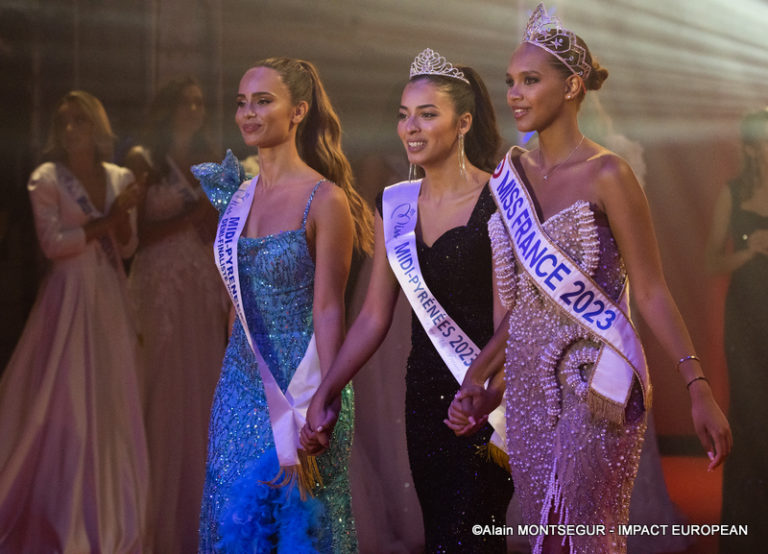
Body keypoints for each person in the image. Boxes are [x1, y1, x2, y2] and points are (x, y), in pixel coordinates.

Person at [445, 5, 731, 554]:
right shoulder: (509, 179)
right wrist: (485, 383)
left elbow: (649, 289)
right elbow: (520, 307)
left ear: (573, 85)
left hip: (596, 377)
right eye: (510, 82)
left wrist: (697, 388)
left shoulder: (608, 173)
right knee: (539, 539)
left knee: (584, 533)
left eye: (531, 80)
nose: (515, 94)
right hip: (527, 384)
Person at [302, 48, 514, 553]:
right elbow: (375, 316)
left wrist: (483, 389)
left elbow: (514, 318)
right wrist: (325, 390)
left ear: (463, 123)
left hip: (486, 395)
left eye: (427, 114)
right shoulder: (394, 203)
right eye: (403, 115)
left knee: (475, 534)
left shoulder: (504, 198)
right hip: (424, 396)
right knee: (440, 532)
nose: (410, 127)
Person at [192, 57, 372, 553]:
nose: (248, 113)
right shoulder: (237, 199)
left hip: (306, 379)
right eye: (241, 103)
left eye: (263, 101)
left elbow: (330, 308)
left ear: (298, 112)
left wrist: (327, 397)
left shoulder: (325, 199)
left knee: (301, 528)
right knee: (231, 516)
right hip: (242, 383)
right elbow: (236, 305)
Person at [0, 90, 148, 553]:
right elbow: (55, 243)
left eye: (78, 122)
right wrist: (109, 218)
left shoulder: (119, 176)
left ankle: (111, 520)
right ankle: (60, 518)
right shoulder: (46, 177)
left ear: (95, 126)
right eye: (63, 123)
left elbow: (126, 248)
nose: (70, 131)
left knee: (113, 406)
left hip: (108, 297)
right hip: (66, 302)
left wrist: (121, 215)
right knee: (67, 408)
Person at [124, 76, 227, 553]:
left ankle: (200, 513)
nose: (193, 108)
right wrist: (191, 216)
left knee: (203, 386)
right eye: (185, 101)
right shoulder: (144, 158)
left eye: (199, 100)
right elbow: (136, 233)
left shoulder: (212, 159)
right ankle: (151, 512)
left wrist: (215, 222)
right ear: (168, 109)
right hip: (161, 285)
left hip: (201, 283)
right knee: (163, 385)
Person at [706, 107, 768, 553]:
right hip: (746, 318)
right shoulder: (732, 192)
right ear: (750, 148)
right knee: (750, 417)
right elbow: (710, 262)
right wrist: (749, 250)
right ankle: (747, 531)